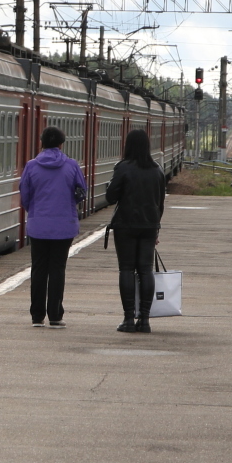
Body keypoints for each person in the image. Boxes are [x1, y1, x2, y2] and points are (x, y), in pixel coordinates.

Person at [18, 126, 86, 328]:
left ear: (42, 143)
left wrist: (36, 211)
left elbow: (25, 195)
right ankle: (56, 315)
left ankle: (37, 316)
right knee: (57, 269)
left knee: (39, 269)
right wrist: (69, 204)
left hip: (39, 225)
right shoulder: (72, 166)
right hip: (64, 225)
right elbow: (82, 192)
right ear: (61, 144)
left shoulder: (31, 166)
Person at [105, 128, 166, 334]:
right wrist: (156, 228)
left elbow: (111, 197)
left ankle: (128, 319)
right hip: (149, 226)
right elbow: (160, 203)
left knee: (126, 270)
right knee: (146, 270)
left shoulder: (123, 168)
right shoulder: (157, 170)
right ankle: (146, 320)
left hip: (126, 225)